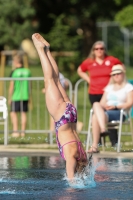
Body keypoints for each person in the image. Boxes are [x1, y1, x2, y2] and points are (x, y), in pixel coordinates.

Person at [32, 33, 87, 180]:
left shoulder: (83, 156)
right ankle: (39, 49)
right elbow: (71, 177)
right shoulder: (73, 156)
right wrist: (72, 184)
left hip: (71, 113)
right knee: (49, 80)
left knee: (56, 80)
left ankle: (48, 50)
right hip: (62, 117)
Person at [77, 41, 123, 146]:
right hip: (94, 92)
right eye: (96, 49)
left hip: (108, 93)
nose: (99, 51)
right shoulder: (89, 61)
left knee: (109, 115)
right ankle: (98, 141)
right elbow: (80, 70)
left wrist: (115, 81)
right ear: (93, 50)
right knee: (96, 115)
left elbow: (121, 68)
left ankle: (114, 141)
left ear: (104, 49)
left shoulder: (111, 60)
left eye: (101, 48)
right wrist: (88, 80)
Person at [87, 64, 133, 153]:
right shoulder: (109, 88)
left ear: (123, 74)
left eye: (118, 73)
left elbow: (130, 103)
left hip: (119, 111)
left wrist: (115, 106)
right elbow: (102, 103)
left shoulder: (128, 87)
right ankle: (103, 129)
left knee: (95, 116)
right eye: (114, 74)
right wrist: (105, 106)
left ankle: (94, 146)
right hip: (106, 111)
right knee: (96, 105)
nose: (116, 76)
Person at [8, 53, 32, 137]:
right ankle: (23, 132)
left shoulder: (14, 72)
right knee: (23, 113)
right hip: (25, 95)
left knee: (13, 113)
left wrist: (9, 97)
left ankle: (15, 131)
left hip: (16, 96)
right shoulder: (28, 71)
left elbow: (11, 86)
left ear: (15, 62)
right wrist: (30, 95)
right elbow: (30, 85)